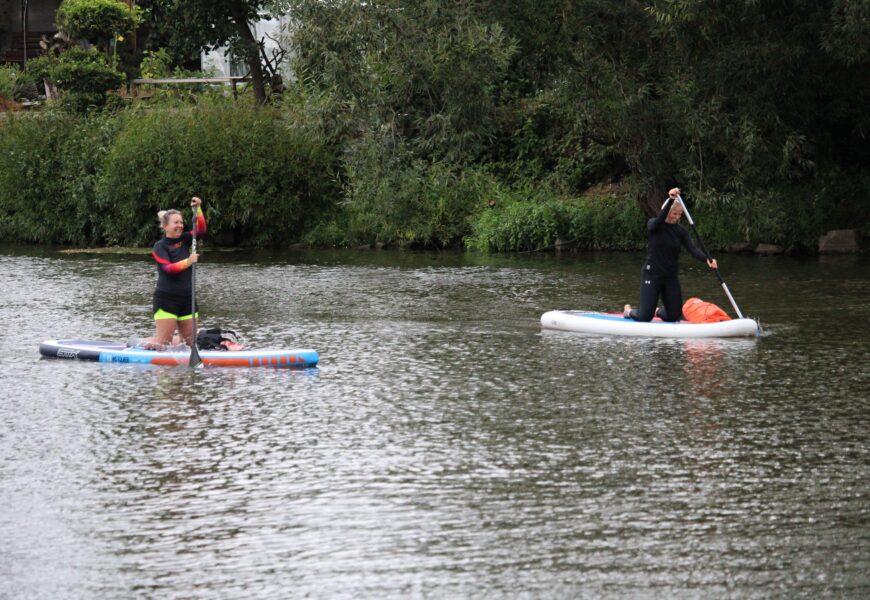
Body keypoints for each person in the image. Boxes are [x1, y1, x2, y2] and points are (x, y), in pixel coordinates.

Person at [623, 187, 717, 322]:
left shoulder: (681, 231)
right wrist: (672, 199)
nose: (677, 217)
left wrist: (707, 259)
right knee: (644, 317)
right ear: (666, 211)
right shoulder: (654, 225)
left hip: (670, 277)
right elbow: (660, 217)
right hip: (652, 274)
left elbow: (693, 249)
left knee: (673, 316)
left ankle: (657, 311)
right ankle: (629, 311)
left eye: (680, 214)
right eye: (674, 214)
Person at [141, 196, 207, 350]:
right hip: (166, 300)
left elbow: (201, 229)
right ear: (166, 226)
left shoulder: (185, 239)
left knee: (191, 345)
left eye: (181, 222)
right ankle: (138, 344)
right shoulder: (159, 246)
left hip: (187, 298)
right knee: (163, 345)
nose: (180, 225)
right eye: (176, 222)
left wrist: (197, 210)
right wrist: (188, 262)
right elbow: (167, 269)